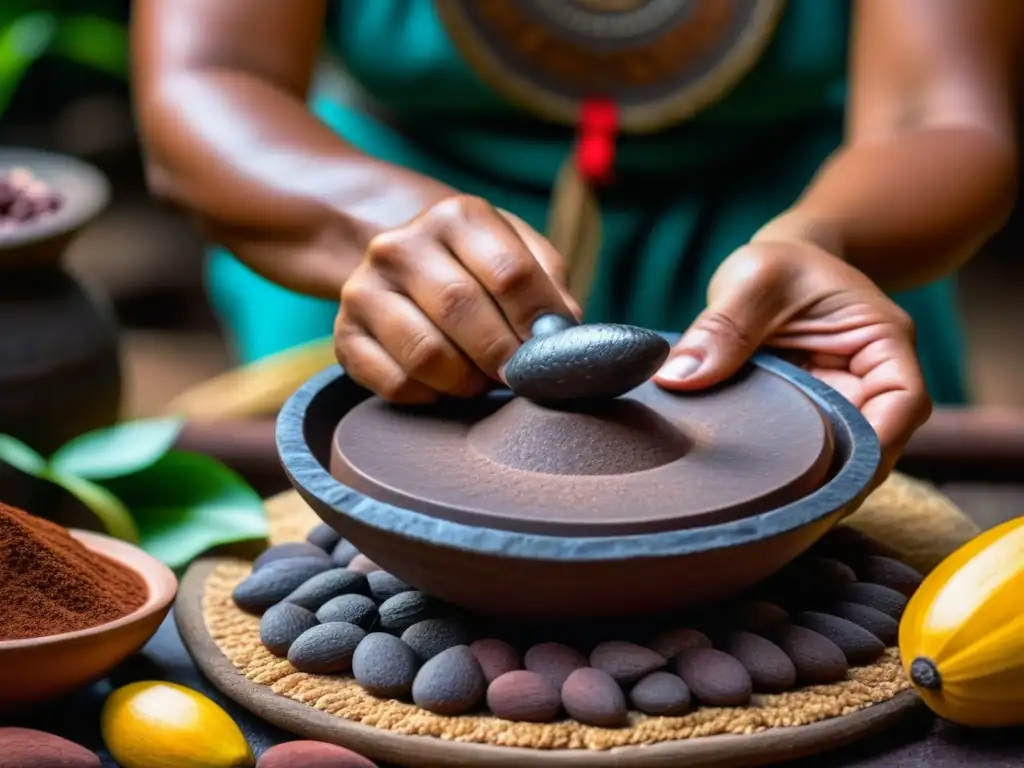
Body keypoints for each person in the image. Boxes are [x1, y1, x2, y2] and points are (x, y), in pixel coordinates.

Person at [131, 0, 1019, 477]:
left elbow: (940, 114)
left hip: (798, 223)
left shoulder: (822, 227)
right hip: (372, 213)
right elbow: (210, 78)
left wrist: (828, 236)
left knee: (860, 514)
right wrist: (388, 223)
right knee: (357, 491)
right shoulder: (383, 222)